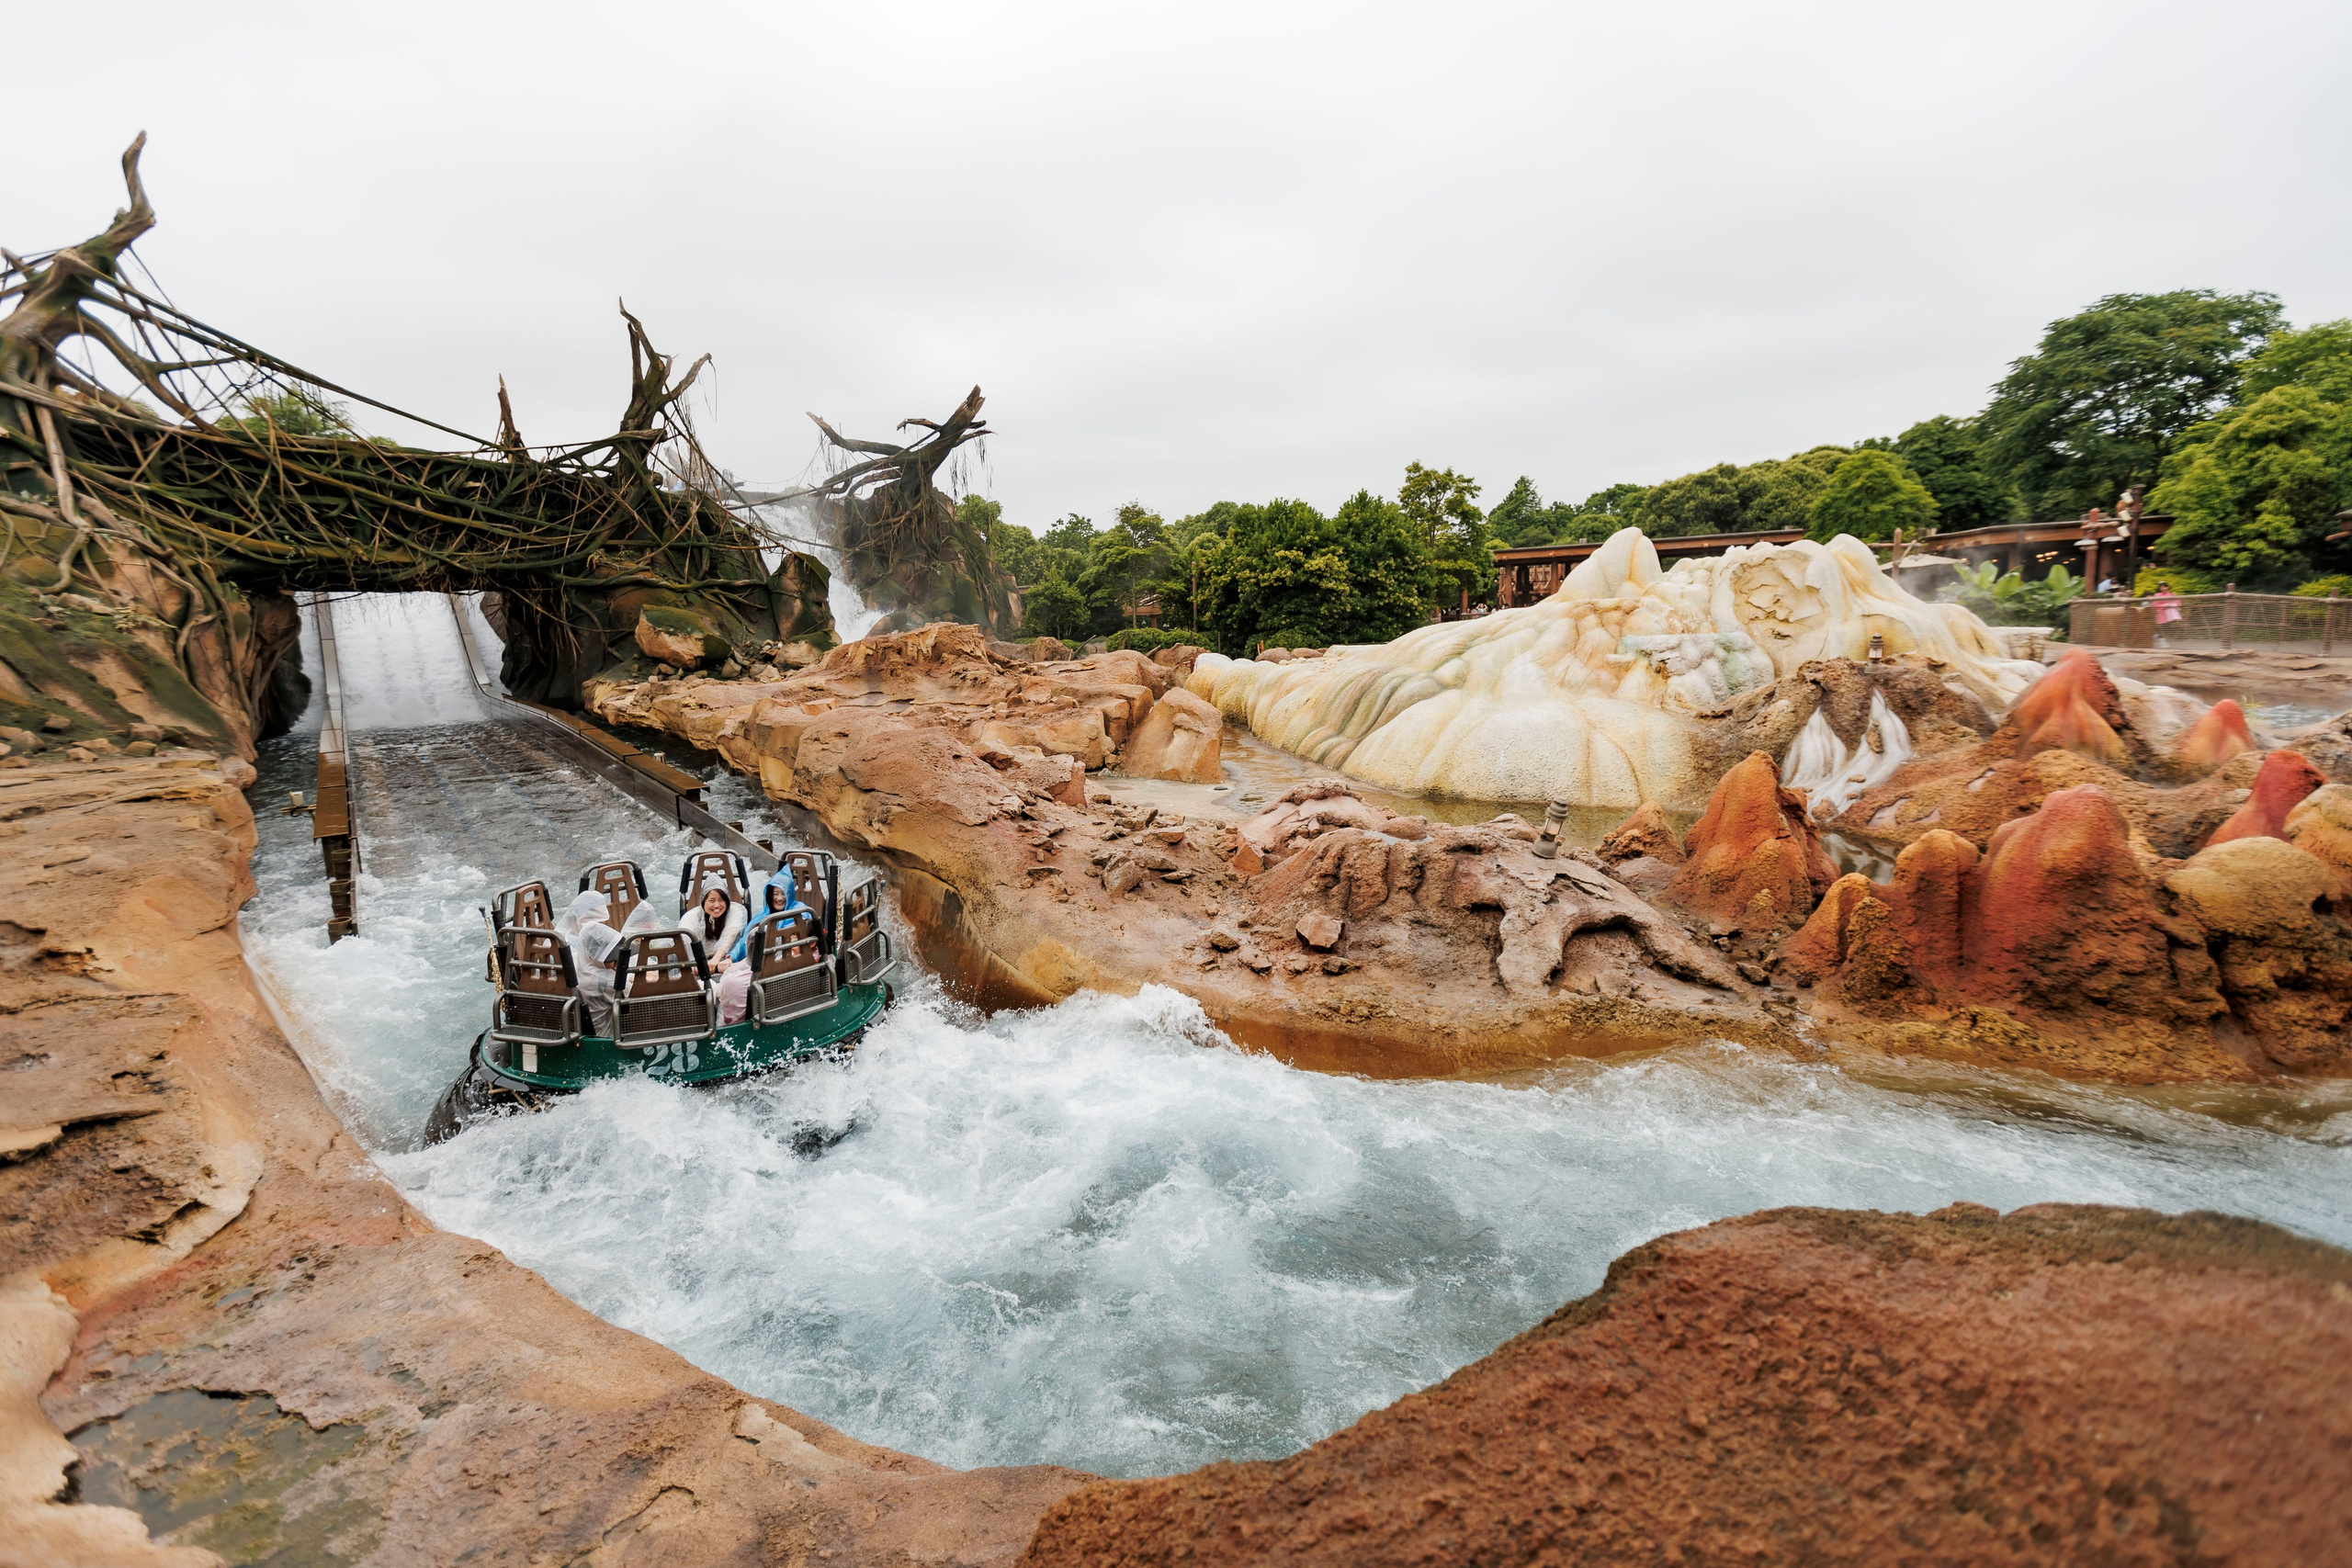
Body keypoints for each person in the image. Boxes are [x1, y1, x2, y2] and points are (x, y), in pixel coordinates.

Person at [717, 864, 805, 1027]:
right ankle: (730, 1019)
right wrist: (731, 958)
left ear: (789, 894)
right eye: (775, 894)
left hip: (782, 963)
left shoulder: (800, 911)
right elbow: (745, 940)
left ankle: (738, 1020)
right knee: (728, 975)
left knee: (734, 982)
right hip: (757, 960)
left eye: (782, 893)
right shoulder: (763, 914)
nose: (779, 898)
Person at [554, 889, 621, 1036]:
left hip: (577, 1013)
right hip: (603, 1036)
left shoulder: (582, 965)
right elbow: (631, 993)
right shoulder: (567, 946)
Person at [688, 885, 745, 964]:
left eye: (721, 900)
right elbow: (685, 940)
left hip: (726, 957)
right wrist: (693, 964)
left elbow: (730, 935)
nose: (717, 905)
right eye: (712, 901)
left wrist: (716, 959)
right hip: (698, 958)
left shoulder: (735, 911)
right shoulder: (692, 916)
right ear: (703, 902)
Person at [2150, 581, 2182, 646]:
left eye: (2165, 587)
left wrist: (2173, 604)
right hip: (2161, 613)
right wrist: (2164, 605)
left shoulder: (2172, 594)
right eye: (2162, 587)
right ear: (2159, 588)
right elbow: (2155, 604)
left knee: (2167, 627)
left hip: (2170, 614)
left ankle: (2157, 635)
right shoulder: (2157, 595)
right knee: (2163, 626)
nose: (2164, 588)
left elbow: (2178, 603)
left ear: (2167, 587)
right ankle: (2162, 641)